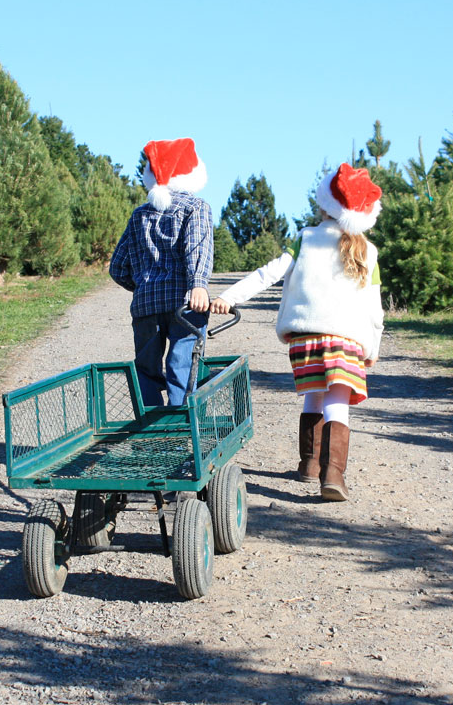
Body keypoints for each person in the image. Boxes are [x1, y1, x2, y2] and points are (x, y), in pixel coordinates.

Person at [211, 163, 385, 502]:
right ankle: (333, 474)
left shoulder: (304, 239)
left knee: (315, 391)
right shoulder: (368, 251)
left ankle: (308, 464)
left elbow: (268, 274)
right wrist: (373, 345)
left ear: (324, 206)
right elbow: (374, 307)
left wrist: (226, 297)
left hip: (305, 338)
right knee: (338, 398)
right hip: (346, 339)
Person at [109, 137, 213, 407]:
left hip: (146, 307)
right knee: (181, 367)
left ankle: (151, 432)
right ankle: (179, 432)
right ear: (192, 174)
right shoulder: (196, 207)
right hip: (185, 304)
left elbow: (118, 268)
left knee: (146, 369)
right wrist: (198, 284)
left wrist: (144, 285)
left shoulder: (139, 215)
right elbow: (196, 246)